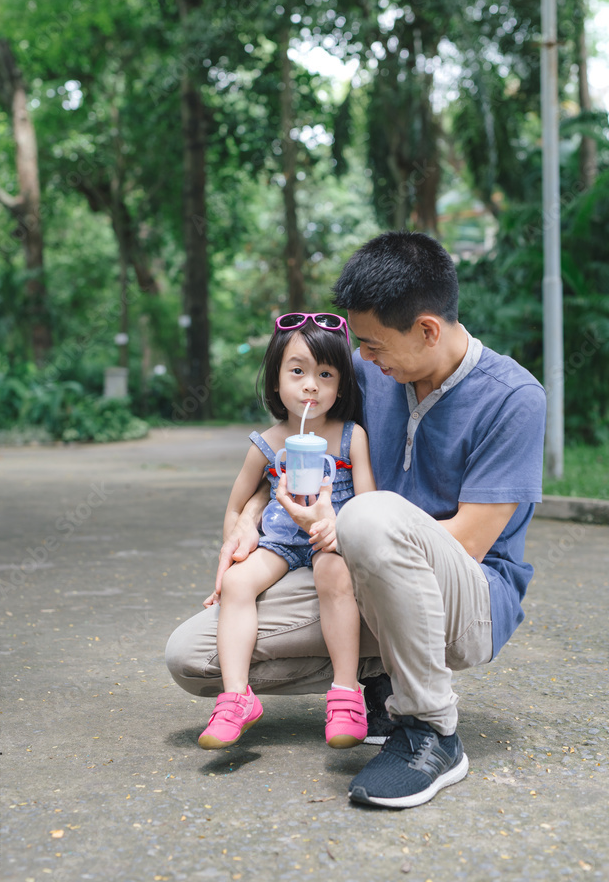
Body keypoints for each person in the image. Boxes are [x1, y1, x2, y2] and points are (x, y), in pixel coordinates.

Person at [165, 231, 546, 810]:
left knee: (367, 515)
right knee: (194, 656)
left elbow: (469, 542)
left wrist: (344, 527)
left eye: (372, 345)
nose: (361, 359)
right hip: (357, 580)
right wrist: (247, 514)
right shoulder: (374, 375)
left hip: (467, 603)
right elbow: (293, 448)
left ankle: (431, 732)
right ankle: (375, 686)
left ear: (426, 330)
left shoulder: (514, 399)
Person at [196, 312, 376, 751]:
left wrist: (343, 531)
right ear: (276, 381)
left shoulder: (351, 438)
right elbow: (237, 504)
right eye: (297, 371)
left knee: (333, 576)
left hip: (328, 539)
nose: (311, 385)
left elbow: (371, 505)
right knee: (239, 582)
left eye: (325, 374)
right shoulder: (268, 442)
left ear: (341, 385)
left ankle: (346, 692)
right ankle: (237, 698)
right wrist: (235, 544)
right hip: (279, 540)